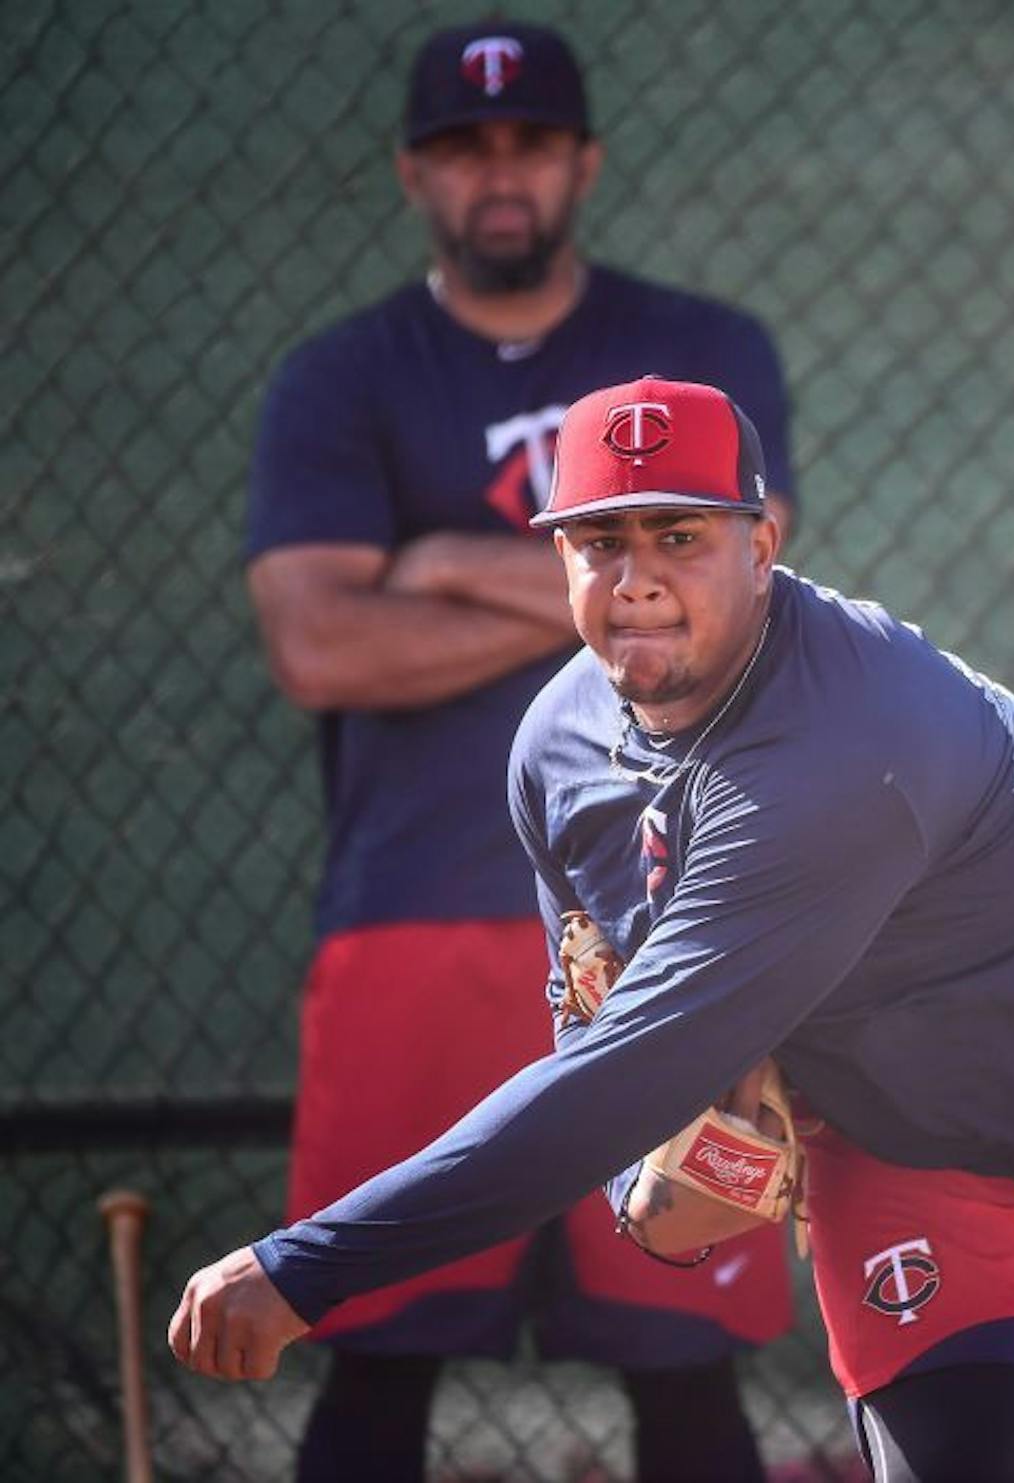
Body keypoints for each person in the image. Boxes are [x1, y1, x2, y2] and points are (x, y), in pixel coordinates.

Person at [178, 377, 1014, 1481]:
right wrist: (658, 1148)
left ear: (762, 547)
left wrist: (302, 1268)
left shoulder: (843, 747)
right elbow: (597, 1018)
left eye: (679, 536)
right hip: (923, 1146)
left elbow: (615, 1079)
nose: (634, 577)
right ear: (560, 559)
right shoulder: (558, 748)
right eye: (600, 542)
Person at [242, 22, 795, 1482]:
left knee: (688, 1377)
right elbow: (320, 646)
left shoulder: (701, 352)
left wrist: (431, 559)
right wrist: (617, 584)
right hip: (416, 912)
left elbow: (739, 608)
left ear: (583, 161)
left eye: (531, 142)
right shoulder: (343, 376)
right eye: (466, 146)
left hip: (677, 911)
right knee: (376, 1358)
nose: (502, 172)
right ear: (415, 171)